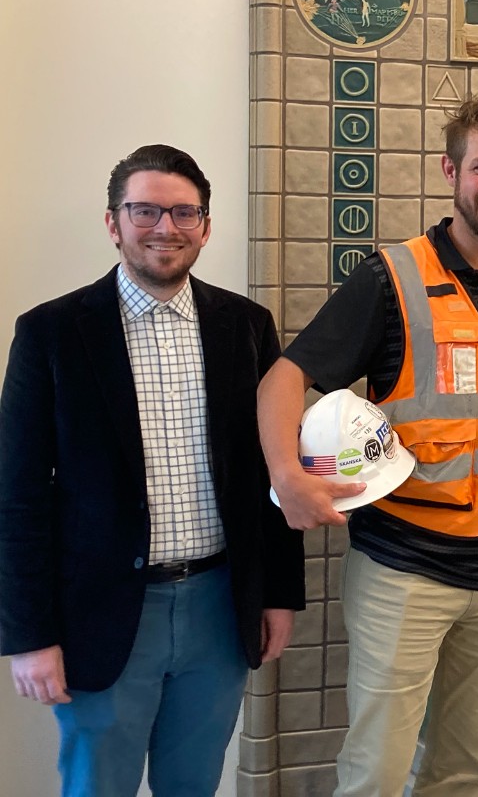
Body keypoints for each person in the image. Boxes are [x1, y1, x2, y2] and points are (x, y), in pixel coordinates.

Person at [257, 96, 478, 797]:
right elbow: (284, 377)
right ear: (450, 171)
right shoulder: (390, 277)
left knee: (463, 770)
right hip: (404, 571)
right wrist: (286, 475)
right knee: (378, 774)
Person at [0, 144, 303, 797]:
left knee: (193, 785)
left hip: (219, 611)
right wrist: (27, 635)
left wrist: (279, 592)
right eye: (145, 211)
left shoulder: (247, 327)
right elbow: (17, 495)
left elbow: (271, 475)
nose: (165, 228)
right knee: (97, 787)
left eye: (183, 213)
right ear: (114, 222)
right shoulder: (51, 333)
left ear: (205, 226)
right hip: (100, 615)